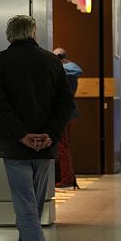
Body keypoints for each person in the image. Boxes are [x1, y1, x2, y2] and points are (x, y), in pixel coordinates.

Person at [0, 15, 75, 241]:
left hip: (16, 148)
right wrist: (48, 134)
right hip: (45, 148)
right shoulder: (52, 61)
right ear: (34, 33)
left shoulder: (0, 61)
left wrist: (22, 135)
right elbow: (65, 104)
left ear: (8, 35)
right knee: (33, 210)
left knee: (26, 211)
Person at [52, 48, 82, 189]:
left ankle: (67, 179)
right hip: (69, 112)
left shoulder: (65, 71)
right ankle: (67, 178)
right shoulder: (71, 71)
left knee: (62, 146)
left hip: (63, 113)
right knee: (63, 146)